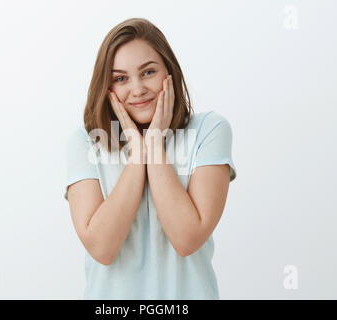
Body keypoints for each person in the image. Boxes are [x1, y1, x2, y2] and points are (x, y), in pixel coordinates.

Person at [64, 17, 237, 300]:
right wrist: (138, 154)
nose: (137, 89)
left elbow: (187, 238)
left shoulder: (209, 130)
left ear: (169, 72)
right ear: (106, 88)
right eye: (120, 78)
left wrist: (154, 144)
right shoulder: (85, 142)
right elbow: (103, 248)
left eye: (148, 72)